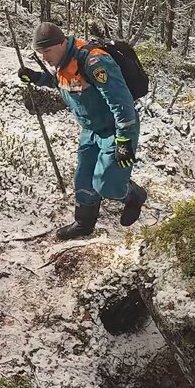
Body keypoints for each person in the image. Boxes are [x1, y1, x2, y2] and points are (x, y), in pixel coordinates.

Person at [17, 22, 147, 240]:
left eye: (47, 50)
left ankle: (134, 196)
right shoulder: (62, 61)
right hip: (90, 129)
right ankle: (84, 224)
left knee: (107, 184)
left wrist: (124, 139)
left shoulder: (94, 62)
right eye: (40, 52)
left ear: (61, 43)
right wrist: (37, 78)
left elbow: (121, 100)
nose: (44, 57)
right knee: (84, 180)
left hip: (116, 129)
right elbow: (64, 83)